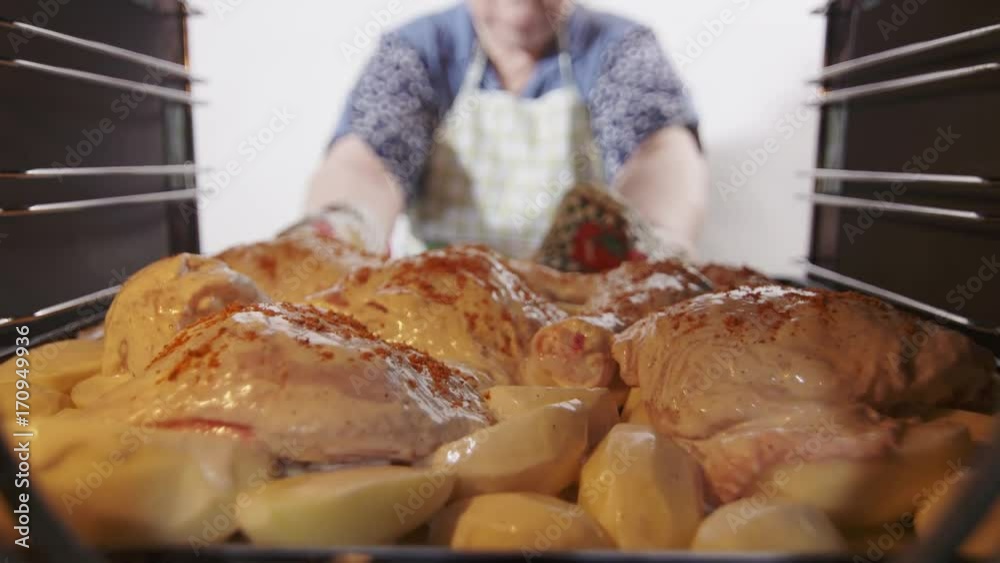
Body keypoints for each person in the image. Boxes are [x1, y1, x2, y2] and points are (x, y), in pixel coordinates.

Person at [303, 0, 708, 266]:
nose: (519, 10)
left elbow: (660, 152)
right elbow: (367, 162)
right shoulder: (418, 50)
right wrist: (340, 231)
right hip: (439, 303)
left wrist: (655, 240)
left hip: (578, 313)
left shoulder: (620, 48)